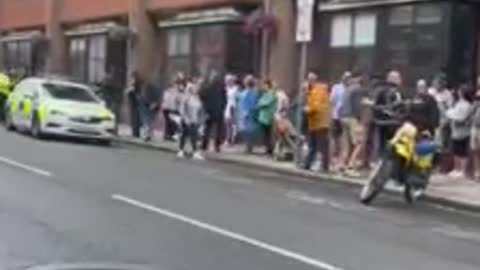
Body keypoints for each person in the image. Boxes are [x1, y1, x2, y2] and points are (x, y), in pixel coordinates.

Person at [338, 71, 367, 176]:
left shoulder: (347, 89)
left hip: (343, 117)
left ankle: (341, 165)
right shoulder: (357, 88)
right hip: (352, 118)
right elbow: (357, 106)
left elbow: (341, 105)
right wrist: (359, 120)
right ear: (358, 78)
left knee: (346, 144)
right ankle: (350, 166)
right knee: (359, 143)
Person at [303, 72, 331, 172]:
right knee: (313, 145)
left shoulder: (318, 91)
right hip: (315, 123)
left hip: (320, 122)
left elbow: (316, 106)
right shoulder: (312, 91)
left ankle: (324, 166)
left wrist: (308, 109)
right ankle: (307, 163)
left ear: (312, 80)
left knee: (321, 146)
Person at [373, 70, 404, 156]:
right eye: (399, 78)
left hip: (385, 122)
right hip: (389, 122)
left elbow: (375, 106)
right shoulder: (393, 91)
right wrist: (390, 109)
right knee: (389, 145)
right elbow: (376, 106)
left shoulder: (381, 90)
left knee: (384, 144)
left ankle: (382, 161)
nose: (400, 80)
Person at [446, 85, 473, 178]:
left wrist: (453, 116)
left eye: (460, 91)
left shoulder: (467, 105)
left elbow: (461, 117)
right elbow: (450, 112)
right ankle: (456, 169)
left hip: (463, 132)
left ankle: (463, 170)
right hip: (455, 131)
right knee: (456, 150)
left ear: (463, 93)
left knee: (462, 152)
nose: (458, 93)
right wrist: (452, 114)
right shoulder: (458, 103)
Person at [200, 70, 227, 153]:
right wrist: (223, 107)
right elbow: (225, 99)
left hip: (209, 110)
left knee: (208, 127)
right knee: (219, 128)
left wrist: (205, 107)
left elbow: (202, 96)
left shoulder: (207, 87)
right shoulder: (221, 87)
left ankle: (205, 145)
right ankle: (217, 146)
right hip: (219, 110)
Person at [177, 80, 204, 160]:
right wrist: (185, 119)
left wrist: (200, 119)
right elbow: (182, 109)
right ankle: (183, 151)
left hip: (195, 119)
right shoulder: (186, 97)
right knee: (186, 135)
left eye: (197, 88)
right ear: (191, 89)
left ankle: (192, 151)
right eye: (194, 88)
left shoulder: (198, 98)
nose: (196, 90)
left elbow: (200, 109)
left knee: (192, 135)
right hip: (187, 119)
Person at [330, 71, 351, 166]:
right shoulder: (337, 87)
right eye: (346, 77)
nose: (347, 79)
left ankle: (339, 159)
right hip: (336, 116)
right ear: (342, 78)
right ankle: (332, 158)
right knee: (335, 138)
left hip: (345, 117)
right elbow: (331, 101)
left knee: (343, 139)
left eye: (349, 78)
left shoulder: (350, 89)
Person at [256, 79, 278, 155]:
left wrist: (261, 104)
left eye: (264, 85)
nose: (263, 87)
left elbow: (265, 103)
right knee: (265, 134)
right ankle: (267, 148)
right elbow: (259, 102)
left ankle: (270, 149)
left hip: (268, 116)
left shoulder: (271, 93)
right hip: (263, 116)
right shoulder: (265, 93)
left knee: (268, 134)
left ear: (268, 85)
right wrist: (260, 103)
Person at [238, 75, 259, 153]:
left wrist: (245, 113)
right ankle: (248, 147)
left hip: (247, 113)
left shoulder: (249, 93)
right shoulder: (252, 92)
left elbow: (248, 103)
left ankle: (248, 147)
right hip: (248, 112)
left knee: (247, 131)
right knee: (248, 131)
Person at [101, 68, 124, 135]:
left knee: (111, 116)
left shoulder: (109, 81)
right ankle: (112, 130)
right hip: (112, 101)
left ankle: (113, 130)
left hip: (112, 101)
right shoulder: (110, 81)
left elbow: (105, 90)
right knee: (112, 116)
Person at [162, 77, 183, 141]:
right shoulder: (176, 91)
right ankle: (170, 135)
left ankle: (167, 135)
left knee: (168, 122)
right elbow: (178, 100)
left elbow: (165, 99)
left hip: (166, 108)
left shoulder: (167, 91)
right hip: (171, 108)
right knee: (172, 123)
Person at [224, 74, 240, 146]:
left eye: (229, 80)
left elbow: (238, 97)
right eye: (226, 80)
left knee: (233, 124)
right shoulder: (226, 88)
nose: (227, 82)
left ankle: (232, 139)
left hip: (233, 106)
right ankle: (228, 139)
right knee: (227, 123)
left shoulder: (236, 88)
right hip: (227, 106)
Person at [126, 71, 143, 138]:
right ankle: (135, 133)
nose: (131, 78)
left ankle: (135, 133)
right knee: (135, 118)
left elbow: (129, 91)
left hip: (135, 103)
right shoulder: (136, 83)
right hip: (134, 102)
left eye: (132, 77)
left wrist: (128, 90)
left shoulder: (135, 84)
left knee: (135, 118)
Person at [470, 86, 480, 181]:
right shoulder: (477, 94)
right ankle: (477, 172)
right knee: (475, 150)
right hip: (475, 126)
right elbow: (472, 110)